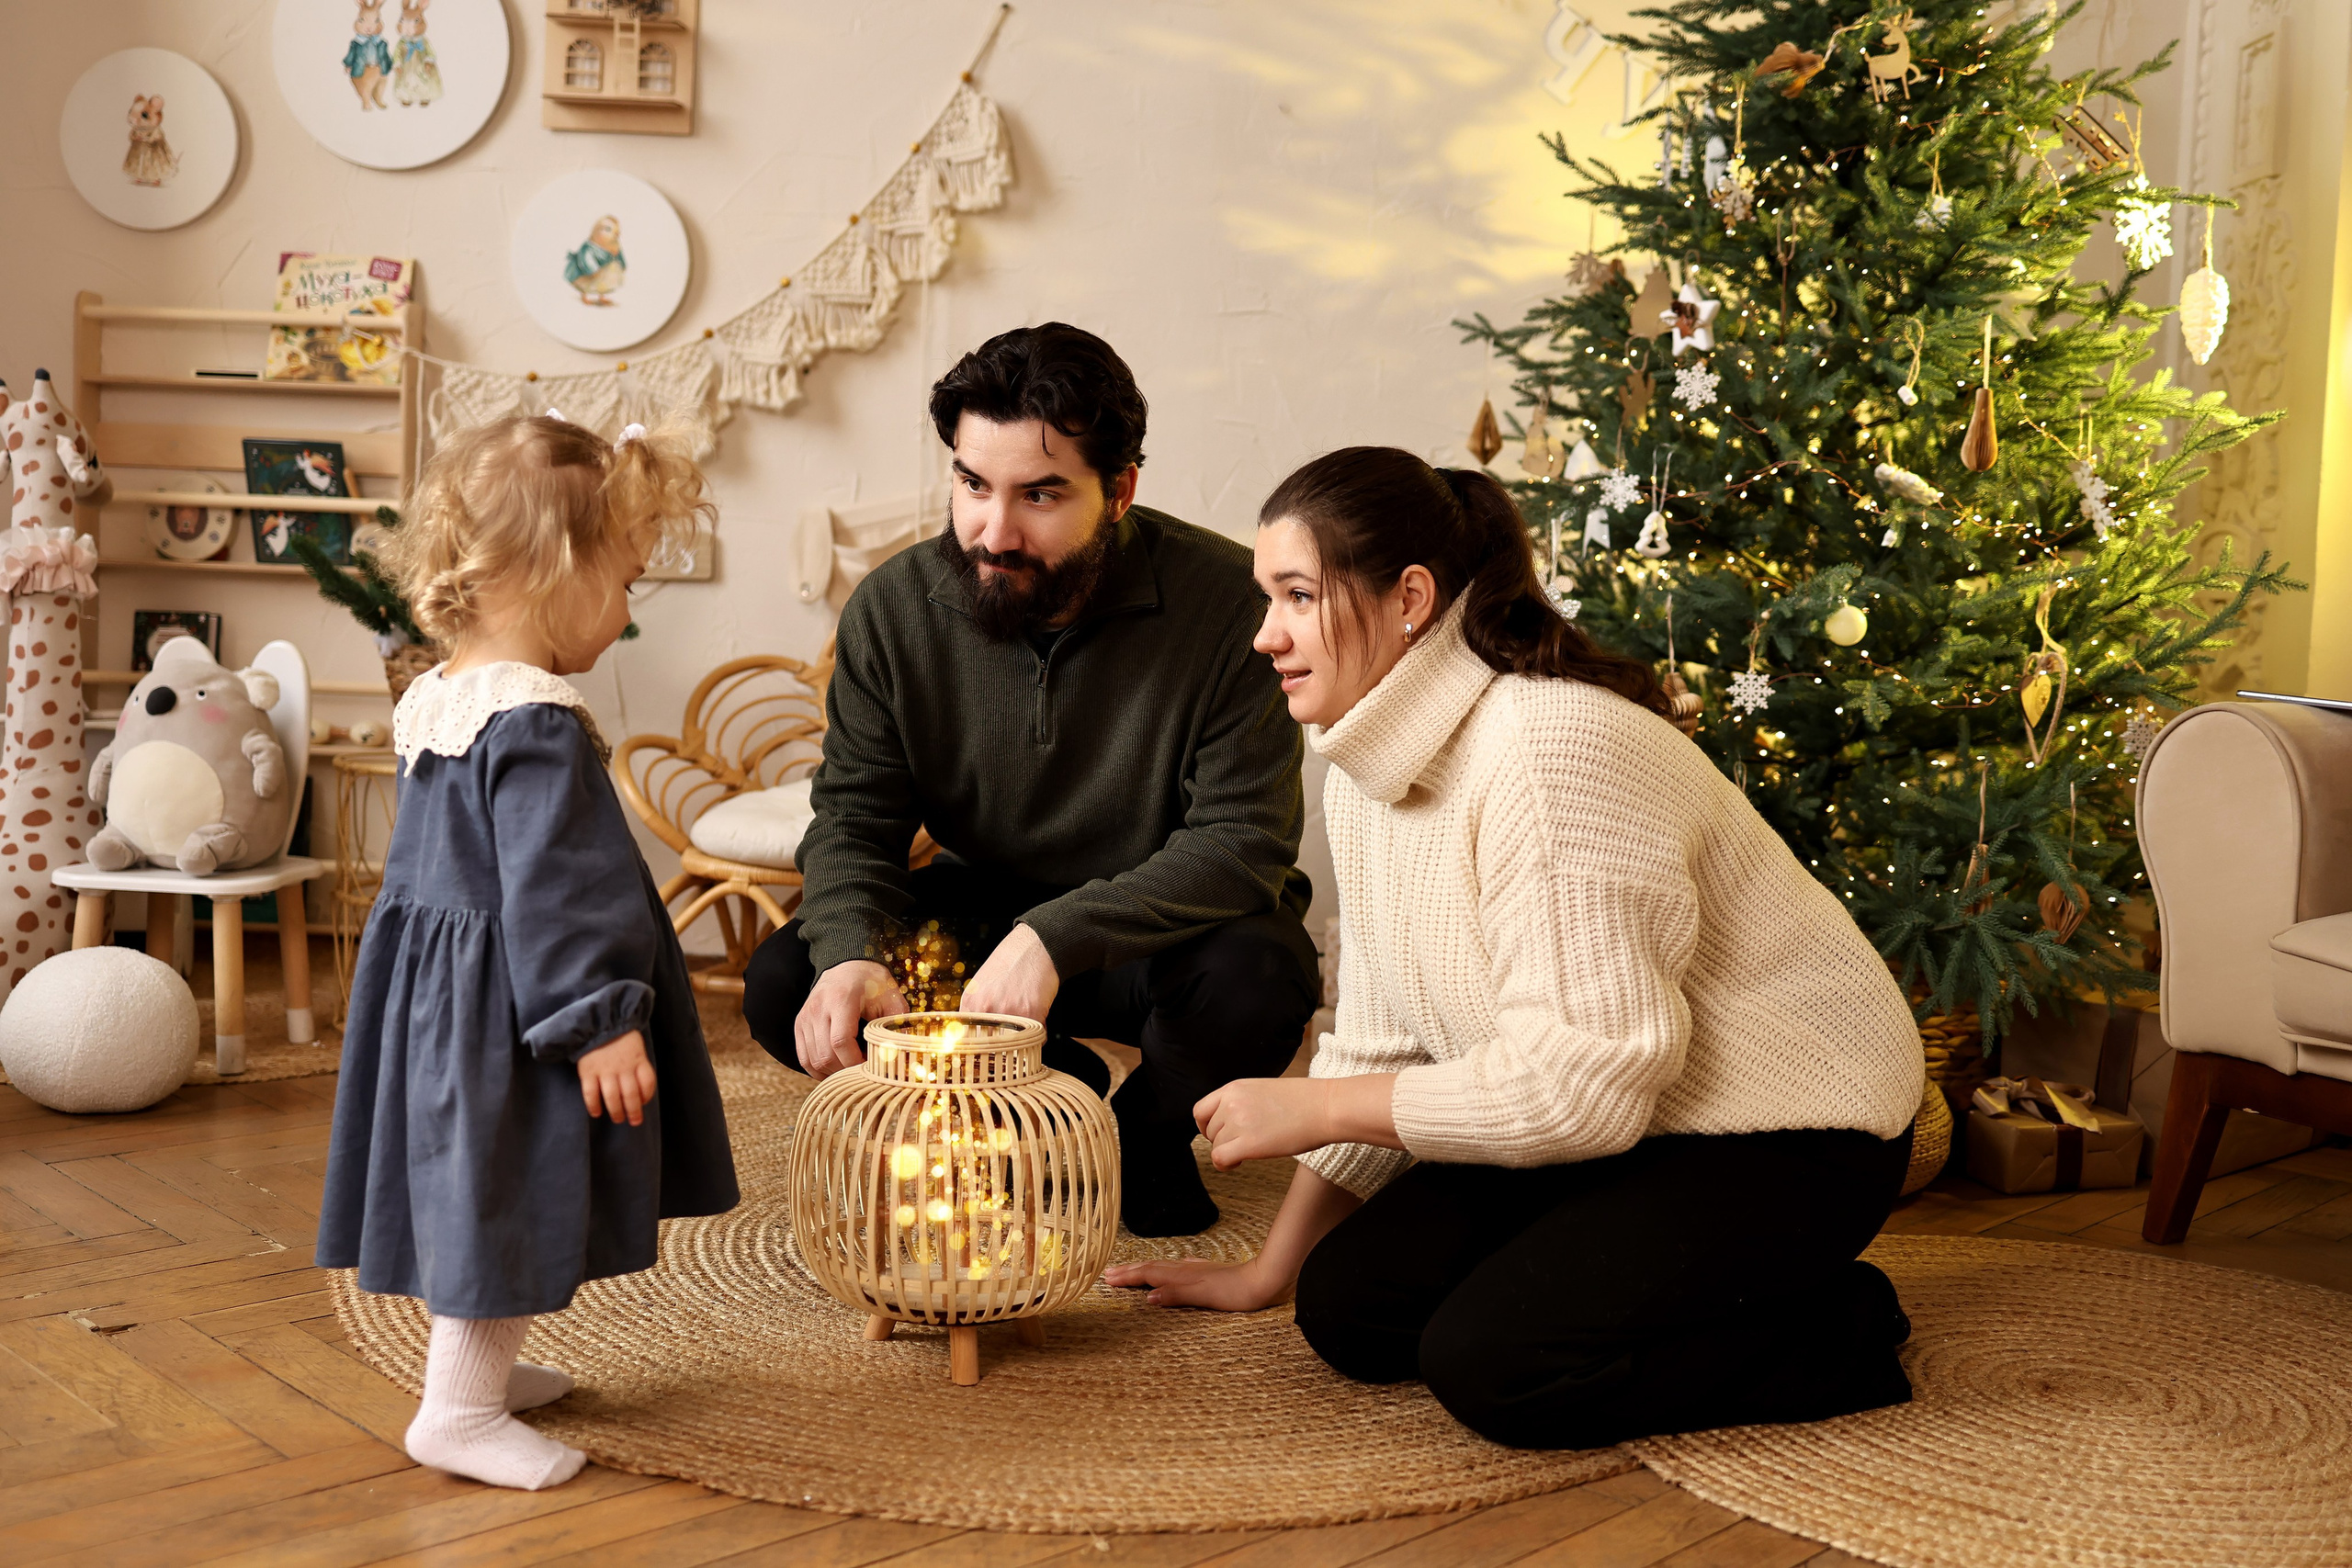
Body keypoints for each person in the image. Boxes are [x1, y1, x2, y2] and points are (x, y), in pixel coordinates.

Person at [1107, 448, 1926, 1450]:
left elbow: (1580, 1088)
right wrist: (1264, 1273)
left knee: (1497, 1367)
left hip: (1794, 1136)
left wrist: (1310, 1104)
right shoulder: (1368, 769)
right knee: (1347, 1311)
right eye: (1264, 596)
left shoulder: (1550, 752)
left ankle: (1841, 1320)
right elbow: (1377, 1043)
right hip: (1625, 1126)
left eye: (1297, 596)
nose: (1263, 634)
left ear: (1410, 597)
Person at [741, 323, 1320, 1237]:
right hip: (975, 917)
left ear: (1120, 490)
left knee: (1262, 975)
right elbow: (854, 818)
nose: (993, 531)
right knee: (790, 980)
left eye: (1040, 495)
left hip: (1155, 931)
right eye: (973, 485)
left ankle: (1141, 1136)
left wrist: (1053, 936)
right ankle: (1043, 1097)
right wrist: (849, 949)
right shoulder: (891, 610)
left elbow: (1241, 845)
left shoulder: (1230, 606)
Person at [317, 414, 740, 1489]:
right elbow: (562, 887)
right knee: (509, 1191)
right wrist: (600, 1020)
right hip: (527, 1011)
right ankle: (457, 1412)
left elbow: (443, 877)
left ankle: (480, 1382)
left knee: (475, 1181)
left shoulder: (437, 699)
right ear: (561, 570)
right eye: (629, 581)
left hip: (447, 1006)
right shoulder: (539, 720)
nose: (630, 613)